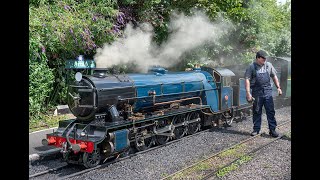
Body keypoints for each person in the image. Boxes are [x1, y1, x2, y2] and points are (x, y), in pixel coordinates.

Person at [244, 50, 282, 137]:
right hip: (257, 92)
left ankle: (272, 130)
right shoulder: (251, 67)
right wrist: (248, 93)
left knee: (270, 111)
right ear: (257, 58)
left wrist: (278, 88)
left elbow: (274, 76)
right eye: (263, 58)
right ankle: (256, 129)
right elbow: (247, 79)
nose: (265, 60)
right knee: (257, 111)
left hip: (268, 91)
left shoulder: (268, 65)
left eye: (265, 58)